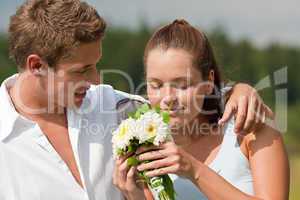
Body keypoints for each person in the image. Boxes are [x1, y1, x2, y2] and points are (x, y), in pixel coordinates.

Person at [0, 1, 273, 199]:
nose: (96, 81)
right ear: (36, 66)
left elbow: (177, 100)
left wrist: (239, 91)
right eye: (82, 70)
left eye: (96, 65)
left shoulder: (118, 108)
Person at [113, 20, 289, 200]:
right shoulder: (146, 151)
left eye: (182, 85)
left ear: (208, 82)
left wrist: (193, 169)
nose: (168, 98)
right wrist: (137, 197)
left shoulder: (251, 124)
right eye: (156, 85)